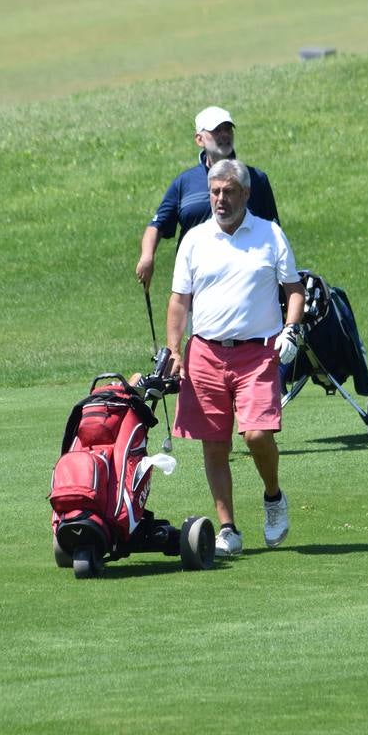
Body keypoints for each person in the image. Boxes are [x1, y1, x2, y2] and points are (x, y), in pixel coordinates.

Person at [166, 159, 305, 557]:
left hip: (258, 352)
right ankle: (228, 528)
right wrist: (174, 349)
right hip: (205, 352)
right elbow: (179, 301)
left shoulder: (269, 234)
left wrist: (291, 329)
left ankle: (274, 497)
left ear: (245, 194)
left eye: (228, 192)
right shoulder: (195, 239)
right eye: (214, 192)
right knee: (213, 445)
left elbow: (294, 290)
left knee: (257, 434)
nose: (220, 199)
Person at [136, 106, 280, 289]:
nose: (224, 135)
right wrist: (147, 256)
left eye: (228, 129)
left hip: (246, 286)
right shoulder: (184, 182)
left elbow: (274, 231)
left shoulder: (256, 179)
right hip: (198, 286)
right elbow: (157, 225)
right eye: (216, 130)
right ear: (199, 139)